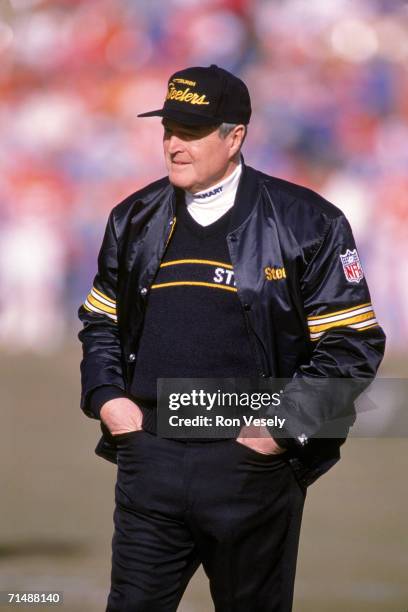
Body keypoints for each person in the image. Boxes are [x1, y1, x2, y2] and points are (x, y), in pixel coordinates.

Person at [78, 65, 385, 611]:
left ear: (235, 135)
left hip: (255, 468)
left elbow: (354, 343)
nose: (173, 145)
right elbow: (101, 322)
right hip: (149, 460)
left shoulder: (308, 221)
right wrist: (110, 402)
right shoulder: (133, 217)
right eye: (168, 129)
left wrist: (277, 430)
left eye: (191, 132)